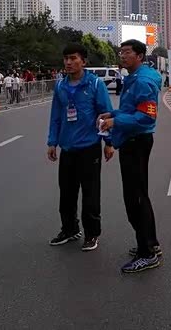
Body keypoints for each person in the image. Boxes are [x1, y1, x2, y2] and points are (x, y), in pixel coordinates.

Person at [98, 39, 162, 274]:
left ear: (140, 56)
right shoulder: (134, 78)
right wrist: (113, 114)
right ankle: (150, 243)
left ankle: (147, 254)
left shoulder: (143, 81)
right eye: (121, 52)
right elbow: (131, 110)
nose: (122, 56)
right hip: (131, 139)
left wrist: (115, 121)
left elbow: (147, 117)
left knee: (135, 199)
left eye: (127, 52)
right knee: (139, 196)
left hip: (137, 141)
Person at [47, 44, 114, 252]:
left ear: (83, 61)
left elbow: (105, 114)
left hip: (89, 147)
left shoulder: (95, 84)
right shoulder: (60, 86)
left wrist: (109, 143)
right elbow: (56, 116)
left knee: (90, 194)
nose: (68, 62)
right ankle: (69, 229)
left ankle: (92, 233)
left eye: (73, 58)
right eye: (66, 58)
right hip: (68, 148)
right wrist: (52, 142)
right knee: (66, 193)